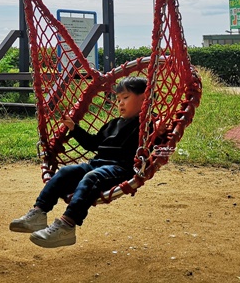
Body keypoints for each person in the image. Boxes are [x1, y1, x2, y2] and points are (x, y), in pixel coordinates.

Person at [10, 76, 160, 248]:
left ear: (145, 98)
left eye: (126, 98)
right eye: (118, 99)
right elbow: (93, 144)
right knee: (65, 172)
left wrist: (158, 129)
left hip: (121, 168)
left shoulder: (148, 123)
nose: (120, 103)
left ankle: (67, 225)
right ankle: (39, 213)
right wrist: (74, 128)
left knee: (91, 177)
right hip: (97, 164)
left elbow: (158, 137)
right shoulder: (113, 124)